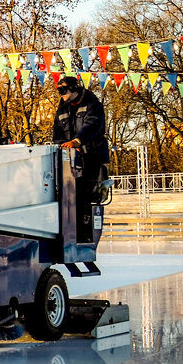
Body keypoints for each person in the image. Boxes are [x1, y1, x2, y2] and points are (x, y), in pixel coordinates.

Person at [52, 76, 110, 242]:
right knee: (66, 194)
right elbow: (57, 131)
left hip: (91, 155)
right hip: (69, 158)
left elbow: (92, 125)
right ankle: (68, 232)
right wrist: (62, 146)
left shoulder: (92, 104)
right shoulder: (62, 108)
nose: (61, 94)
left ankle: (83, 233)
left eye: (63, 90)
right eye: (59, 90)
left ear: (74, 89)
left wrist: (77, 141)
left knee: (83, 193)